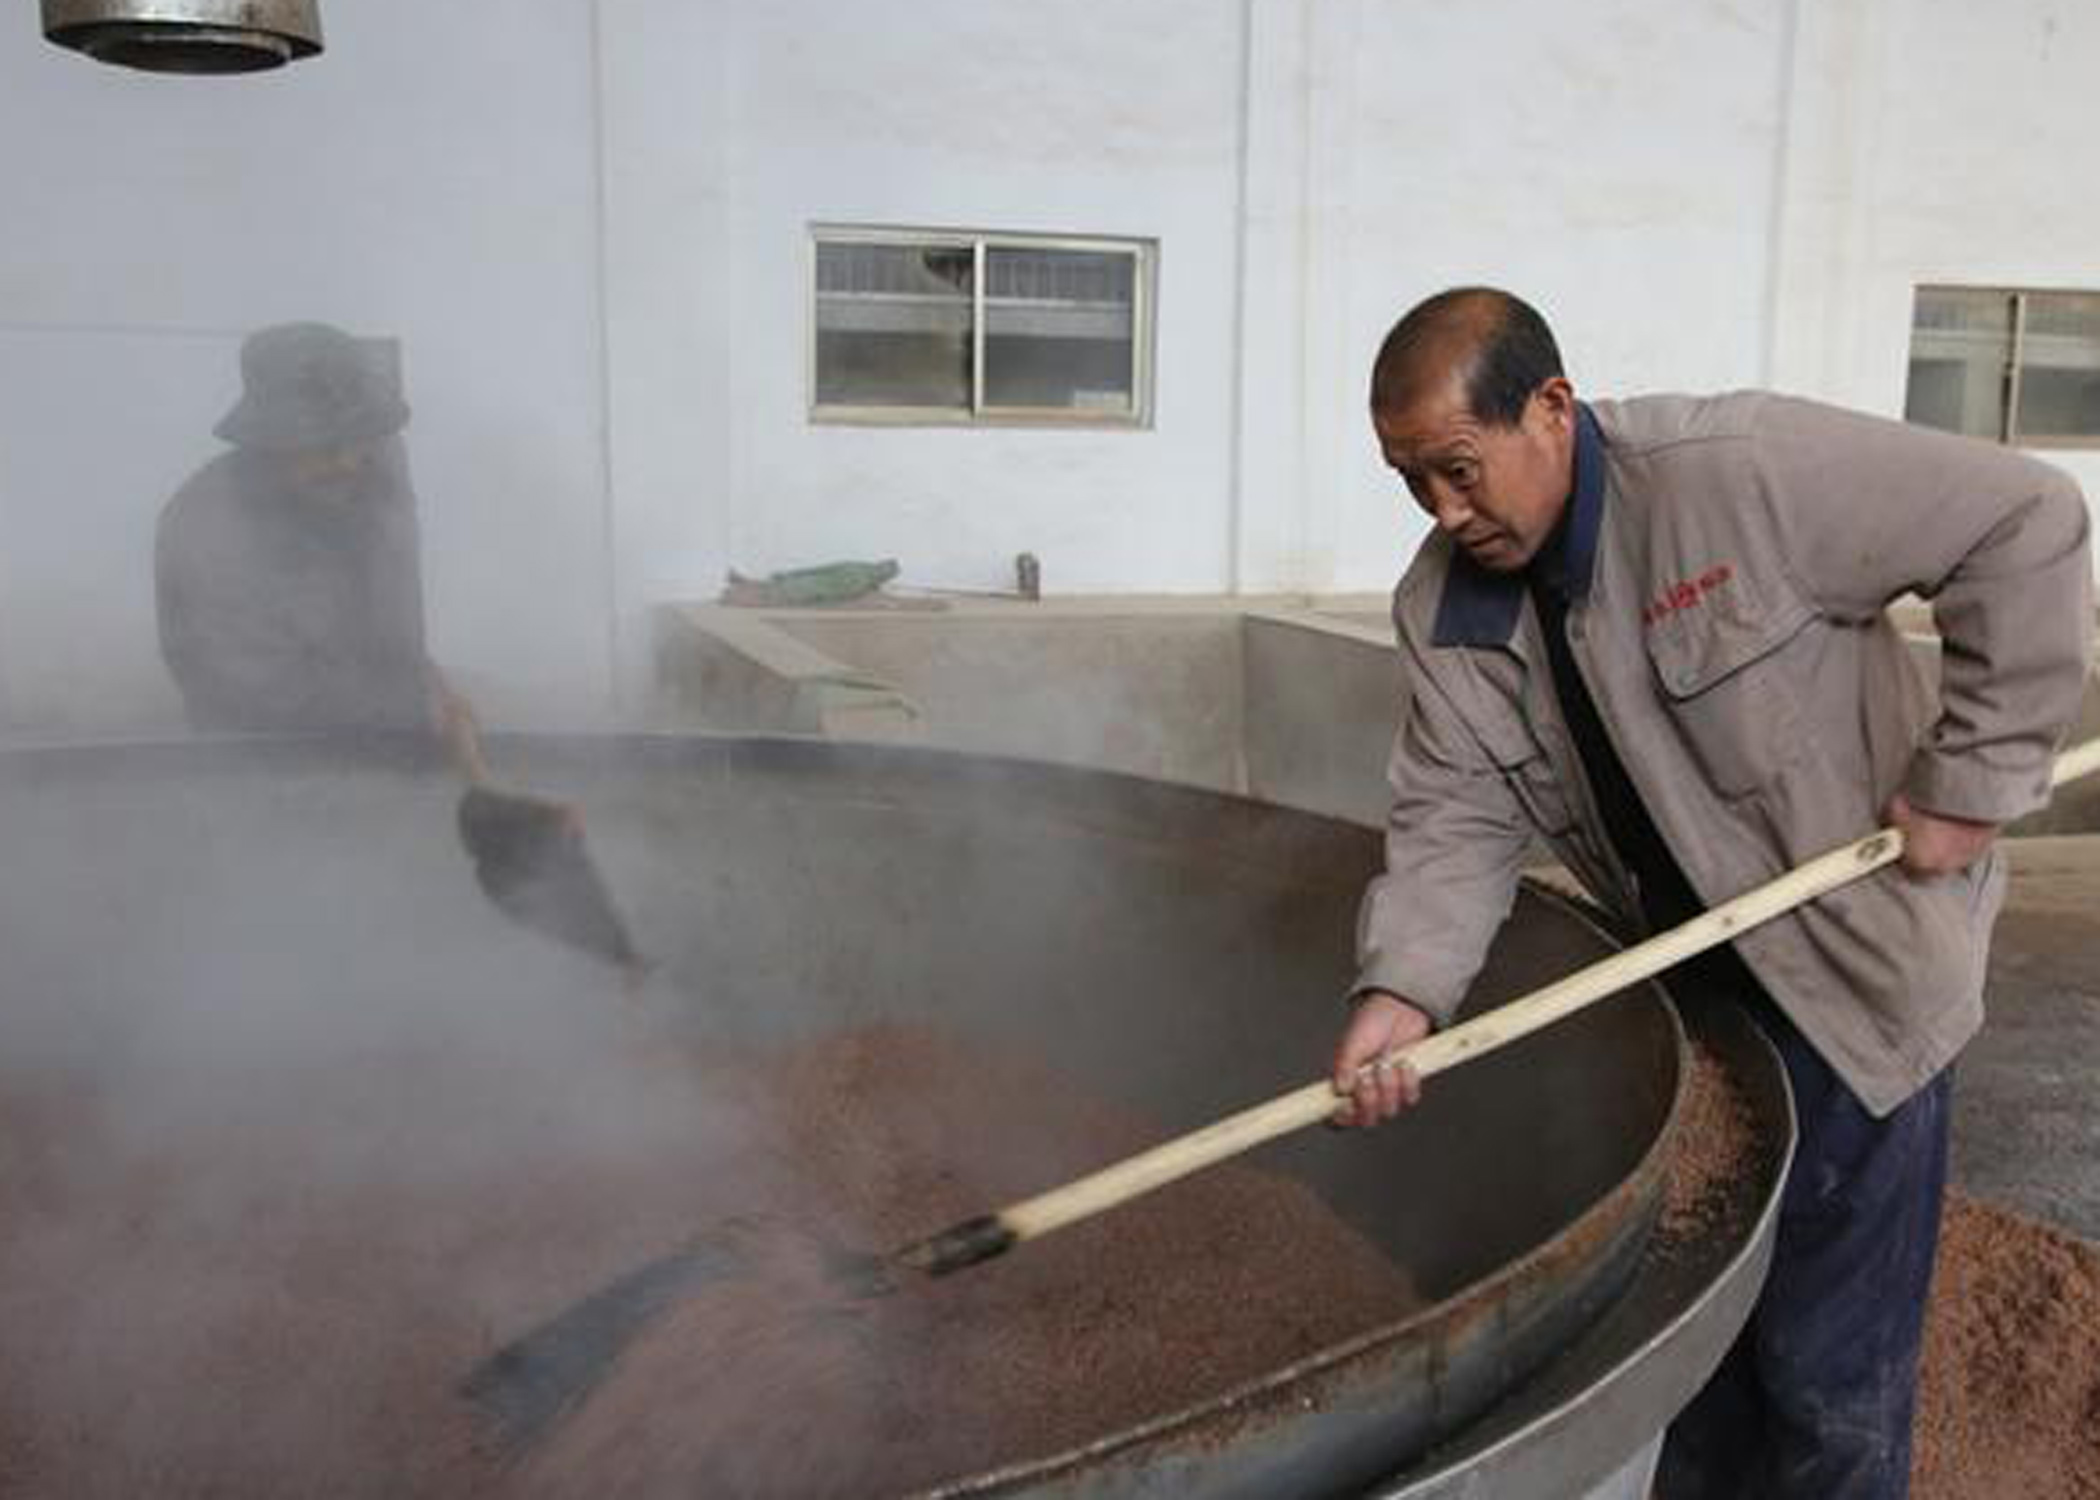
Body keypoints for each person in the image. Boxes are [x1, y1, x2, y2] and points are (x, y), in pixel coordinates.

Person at [1327, 287, 2093, 1499]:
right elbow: (1454, 816)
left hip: (1855, 999)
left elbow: (2026, 520)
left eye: (1460, 470)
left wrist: (1975, 776)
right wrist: (1404, 992)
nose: (1442, 510)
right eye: (1410, 480)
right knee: (1708, 1356)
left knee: (1827, 1385)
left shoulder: (1735, 477)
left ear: (1553, 409)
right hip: (1704, 1027)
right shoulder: (1446, 610)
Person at [155, 320, 444, 734]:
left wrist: (427, 680)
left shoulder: (374, 469)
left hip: (387, 744)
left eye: (358, 437)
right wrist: (409, 708)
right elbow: (252, 691)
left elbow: (391, 627)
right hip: (262, 766)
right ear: (267, 441)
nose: (347, 461)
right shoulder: (203, 527)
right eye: (322, 445)